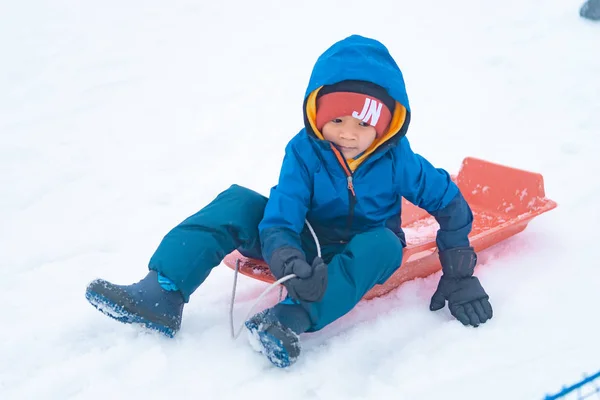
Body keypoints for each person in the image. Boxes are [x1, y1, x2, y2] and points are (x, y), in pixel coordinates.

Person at [85, 34, 493, 368]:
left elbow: (451, 205)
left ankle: (288, 319)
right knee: (237, 201)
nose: (348, 134)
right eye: (336, 120)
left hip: (363, 244)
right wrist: (286, 255)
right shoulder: (304, 152)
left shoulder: (399, 161)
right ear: (317, 117)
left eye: (363, 123)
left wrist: (458, 270)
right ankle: (163, 291)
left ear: (386, 125)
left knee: (384, 245)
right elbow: (285, 207)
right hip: (300, 237)